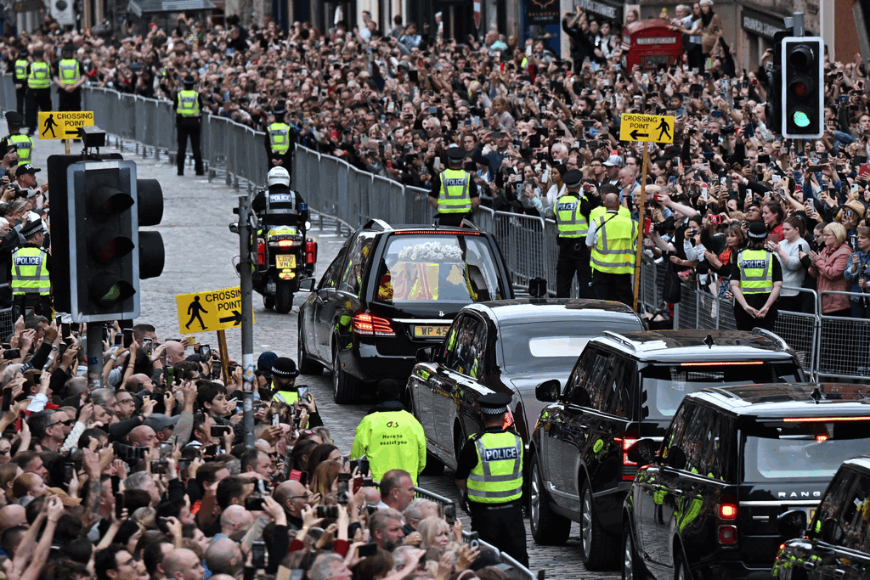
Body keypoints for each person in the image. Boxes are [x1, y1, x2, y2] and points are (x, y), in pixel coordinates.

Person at [454, 392, 528, 568]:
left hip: (484, 516)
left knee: (485, 565)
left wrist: (476, 491)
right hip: (513, 515)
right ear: (504, 416)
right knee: (518, 566)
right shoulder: (516, 441)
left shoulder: (474, 444)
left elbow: (460, 479)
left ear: (482, 416)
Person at [349, 379, 426, 484]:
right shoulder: (412, 421)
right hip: (407, 488)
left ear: (378, 395)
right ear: (399, 396)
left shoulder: (369, 422)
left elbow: (357, 456)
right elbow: (422, 459)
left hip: (379, 488)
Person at [546, 169, 596, 298]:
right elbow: (592, 215)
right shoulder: (582, 202)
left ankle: (562, 308)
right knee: (585, 280)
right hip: (581, 246)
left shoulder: (559, 202)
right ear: (580, 185)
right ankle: (585, 308)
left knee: (563, 282)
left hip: (564, 246)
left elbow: (556, 219)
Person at [730, 221, 783, 332]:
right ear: (766, 237)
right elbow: (778, 285)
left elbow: (734, 284)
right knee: (764, 343)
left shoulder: (740, 255)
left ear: (749, 237)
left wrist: (745, 306)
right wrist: (766, 307)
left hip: (744, 304)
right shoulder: (771, 256)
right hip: (766, 304)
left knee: (745, 343)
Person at [586, 192, 637, 306]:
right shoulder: (630, 223)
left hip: (601, 271)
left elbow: (588, 244)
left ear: (604, 204)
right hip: (622, 271)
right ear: (618, 204)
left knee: (601, 305)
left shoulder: (597, 222)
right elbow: (635, 240)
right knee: (624, 305)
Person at [10, 219, 51, 320]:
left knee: (21, 332)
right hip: (40, 302)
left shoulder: (14, 255)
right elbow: (53, 281)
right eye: (42, 234)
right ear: (36, 236)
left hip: (19, 303)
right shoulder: (44, 255)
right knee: (43, 333)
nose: (44, 237)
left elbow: (9, 282)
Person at [428, 146, 479, 226]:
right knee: (463, 238)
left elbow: (431, 199)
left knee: (447, 238)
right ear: (462, 162)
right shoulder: (468, 176)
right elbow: (476, 202)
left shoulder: (441, 176)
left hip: (445, 219)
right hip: (464, 219)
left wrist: (441, 208)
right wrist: (471, 214)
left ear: (449, 162)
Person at [269, 357, 323, 427]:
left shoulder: (271, 398)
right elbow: (319, 427)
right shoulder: (305, 397)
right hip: (307, 436)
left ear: (275, 379)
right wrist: (313, 411)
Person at [172, 75, 204, 176]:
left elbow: (175, 107)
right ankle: (199, 170)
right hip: (194, 121)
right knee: (196, 147)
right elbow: (201, 106)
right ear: (193, 85)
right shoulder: (196, 94)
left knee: (181, 147)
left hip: (182, 121)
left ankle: (180, 170)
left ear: (184, 84)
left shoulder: (179, 94)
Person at [264, 101, 296, 177]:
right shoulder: (288, 129)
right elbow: (291, 146)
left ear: (274, 115)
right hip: (285, 160)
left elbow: (267, 145)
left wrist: (272, 158)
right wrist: (283, 159)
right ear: (284, 114)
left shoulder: (270, 128)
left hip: (273, 160)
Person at [25, 49, 52, 136]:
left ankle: (31, 129)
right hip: (45, 90)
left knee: (31, 110)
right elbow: (52, 73)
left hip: (32, 90)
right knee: (46, 110)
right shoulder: (47, 65)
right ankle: (46, 130)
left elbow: (26, 75)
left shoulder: (30, 65)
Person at [53, 43, 85, 113]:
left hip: (63, 90)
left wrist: (64, 87)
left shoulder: (60, 63)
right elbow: (83, 77)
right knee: (76, 112)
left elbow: (55, 78)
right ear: (73, 53)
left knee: (63, 112)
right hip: (75, 90)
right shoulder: (77, 63)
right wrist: (74, 86)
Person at [11, 48, 27, 117]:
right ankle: (27, 121)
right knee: (28, 104)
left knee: (20, 104)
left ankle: (20, 122)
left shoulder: (16, 62)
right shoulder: (28, 62)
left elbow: (14, 74)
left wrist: (15, 83)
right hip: (27, 85)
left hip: (18, 85)